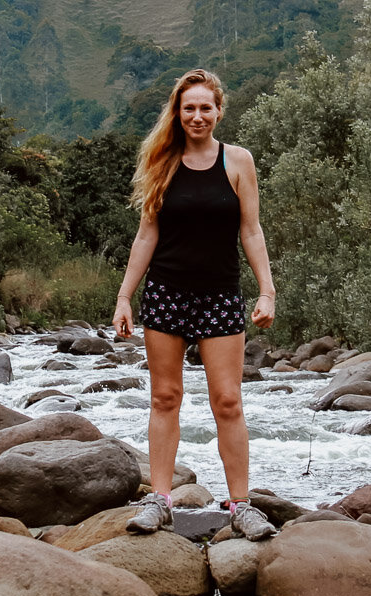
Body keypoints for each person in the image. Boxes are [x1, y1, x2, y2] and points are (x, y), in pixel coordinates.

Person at [113, 69, 277, 541]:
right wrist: (125, 296)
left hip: (221, 296)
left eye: (206, 108)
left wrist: (266, 291)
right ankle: (159, 500)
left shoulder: (238, 161)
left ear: (219, 111)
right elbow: (147, 235)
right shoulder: (162, 163)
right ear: (178, 113)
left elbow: (251, 231)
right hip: (166, 293)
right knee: (166, 397)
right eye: (189, 108)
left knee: (228, 401)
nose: (198, 116)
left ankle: (241, 506)